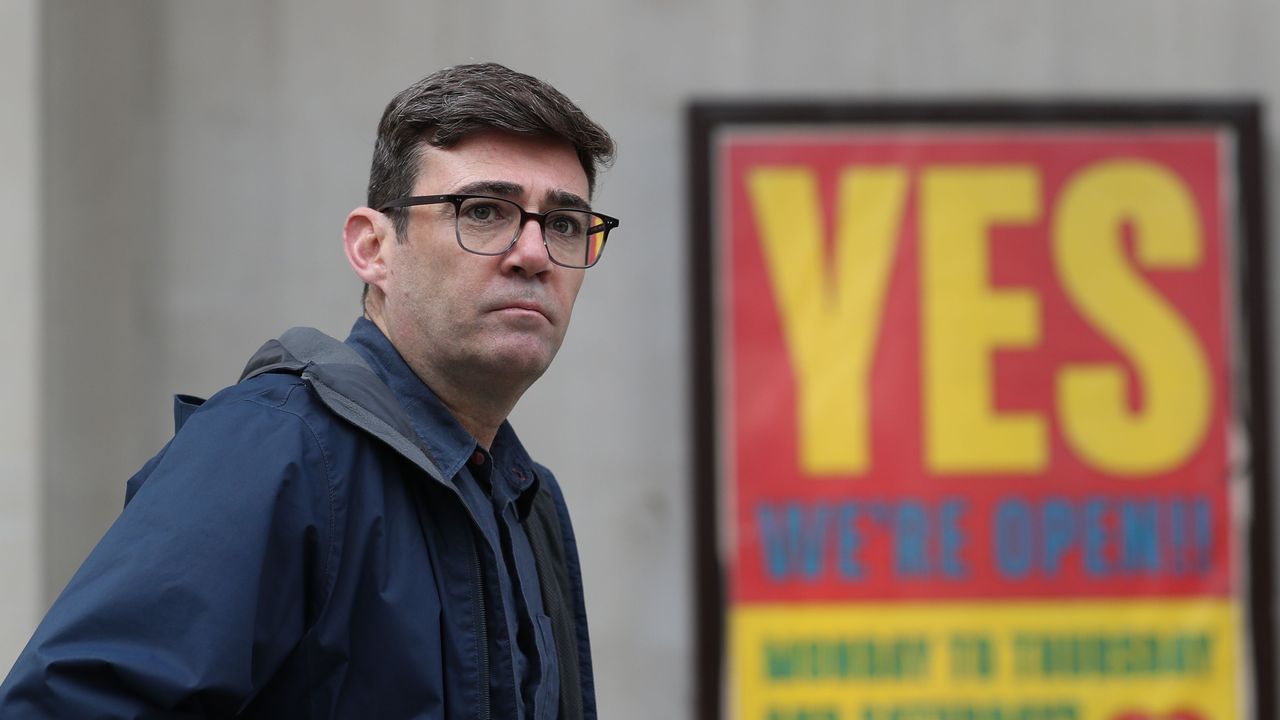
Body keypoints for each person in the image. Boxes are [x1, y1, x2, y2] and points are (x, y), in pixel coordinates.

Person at [0, 62, 617, 719]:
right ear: (373, 247)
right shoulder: (275, 449)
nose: (533, 253)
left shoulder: (529, 500)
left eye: (564, 224)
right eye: (484, 212)